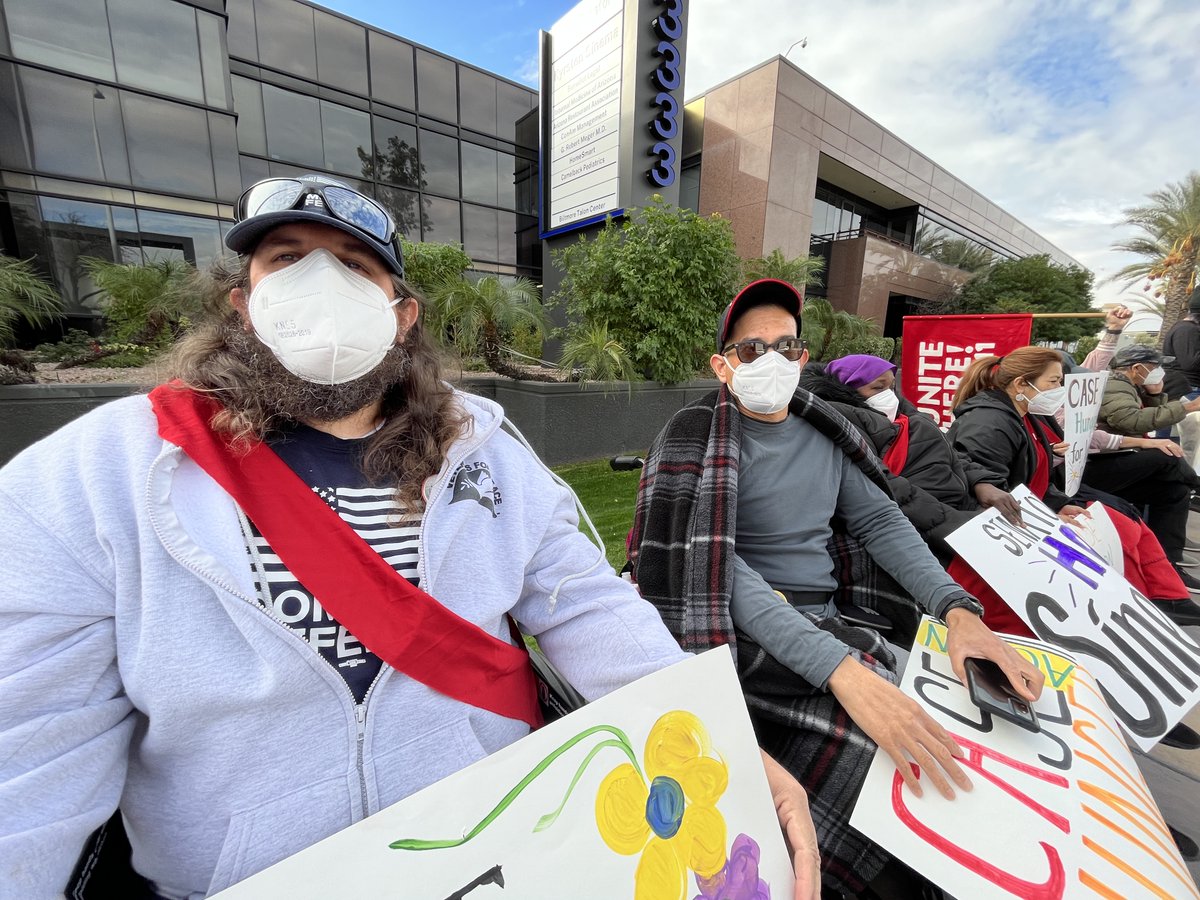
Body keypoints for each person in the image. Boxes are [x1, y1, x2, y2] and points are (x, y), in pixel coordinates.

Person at [0, 176, 821, 900]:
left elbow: (593, 610)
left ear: (402, 316)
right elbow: (26, 770)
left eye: (354, 266)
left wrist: (725, 747)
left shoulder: (485, 454)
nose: (318, 282)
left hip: (488, 859)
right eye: (285, 258)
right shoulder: (98, 478)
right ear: (241, 304)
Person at [628, 279, 1045, 898]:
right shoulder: (693, 436)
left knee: (986, 744)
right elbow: (715, 571)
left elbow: (881, 521)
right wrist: (844, 672)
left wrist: (959, 611)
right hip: (739, 639)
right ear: (722, 366)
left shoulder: (823, 430)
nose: (770, 359)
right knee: (881, 780)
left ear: (803, 359)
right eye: (750, 349)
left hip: (835, 623)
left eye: (786, 345)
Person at [948, 347, 1200, 629]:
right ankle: (1136, 609)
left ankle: (1166, 597)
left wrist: (1059, 503)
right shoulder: (988, 422)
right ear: (1021, 384)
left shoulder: (1027, 413)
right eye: (1053, 382)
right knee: (1118, 531)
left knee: (1126, 519)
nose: (1060, 389)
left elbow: (1034, 478)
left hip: (1033, 507)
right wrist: (1048, 516)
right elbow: (989, 488)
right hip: (1010, 523)